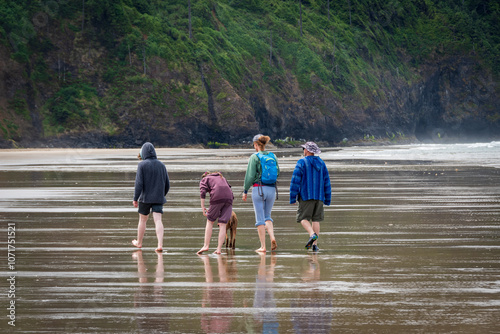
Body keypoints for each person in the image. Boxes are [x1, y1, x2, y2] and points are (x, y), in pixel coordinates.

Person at [289, 141, 331, 251]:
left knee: (302, 218)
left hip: (306, 196)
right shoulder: (321, 163)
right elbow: (327, 182)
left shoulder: (301, 162)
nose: (303, 151)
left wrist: (293, 197)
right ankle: (314, 246)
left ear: (307, 150)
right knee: (316, 219)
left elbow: (295, 181)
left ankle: (312, 234)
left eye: (304, 149)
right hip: (319, 196)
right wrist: (327, 198)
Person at [242, 134, 279, 252]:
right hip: (272, 189)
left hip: (259, 189)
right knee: (267, 216)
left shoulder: (254, 157)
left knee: (260, 219)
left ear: (256, 145)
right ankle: (272, 237)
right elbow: (277, 171)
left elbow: (250, 175)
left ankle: (263, 246)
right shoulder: (273, 156)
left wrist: (245, 190)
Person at [132, 142, 170, 252]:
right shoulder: (162, 165)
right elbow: (167, 184)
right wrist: (161, 195)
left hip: (145, 198)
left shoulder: (142, 165)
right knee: (158, 220)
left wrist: (135, 198)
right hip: (158, 197)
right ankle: (160, 244)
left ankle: (139, 243)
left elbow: (139, 184)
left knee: (142, 220)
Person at [197, 172, 234, 254]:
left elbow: (202, 193)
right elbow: (229, 188)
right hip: (229, 198)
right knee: (222, 224)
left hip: (217, 196)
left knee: (210, 221)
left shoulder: (205, 179)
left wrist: (203, 207)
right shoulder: (222, 177)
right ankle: (219, 249)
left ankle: (206, 245)